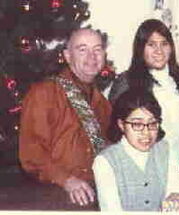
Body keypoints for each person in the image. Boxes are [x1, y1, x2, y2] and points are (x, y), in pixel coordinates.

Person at [19, 28, 111, 209]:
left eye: (97, 49)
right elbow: (32, 154)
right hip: (56, 193)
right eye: (82, 49)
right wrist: (67, 180)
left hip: (95, 191)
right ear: (68, 56)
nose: (92, 57)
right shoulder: (44, 93)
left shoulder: (103, 103)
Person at [108, 19, 179, 174]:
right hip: (144, 170)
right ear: (141, 49)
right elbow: (115, 132)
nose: (159, 50)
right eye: (151, 44)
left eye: (164, 43)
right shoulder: (127, 82)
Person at [93, 89, 169, 211]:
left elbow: (172, 195)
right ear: (121, 125)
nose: (146, 132)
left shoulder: (164, 149)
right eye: (137, 125)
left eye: (152, 123)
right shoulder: (105, 161)